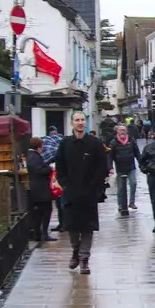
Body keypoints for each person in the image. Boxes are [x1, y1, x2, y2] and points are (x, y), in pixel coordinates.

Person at [54, 112, 108, 274]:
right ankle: (75, 251)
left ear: (86, 123)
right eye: (77, 120)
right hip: (70, 192)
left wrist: (94, 186)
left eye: (82, 120)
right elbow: (60, 165)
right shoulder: (65, 143)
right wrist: (65, 184)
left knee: (87, 227)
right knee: (71, 226)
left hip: (89, 192)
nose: (80, 123)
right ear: (72, 123)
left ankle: (84, 259)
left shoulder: (95, 143)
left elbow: (101, 167)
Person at [25, 137, 55, 244]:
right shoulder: (34, 157)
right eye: (41, 146)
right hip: (40, 189)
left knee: (38, 213)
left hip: (37, 189)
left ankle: (38, 234)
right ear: (38, 146)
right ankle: (43, 234)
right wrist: (50, 169)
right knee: (46, 211)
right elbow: (38, 171)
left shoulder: (31, 156)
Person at [107, 124, 140, 216]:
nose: (122, 132)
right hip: (120, 168)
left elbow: (137, 153)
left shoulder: (131, 140)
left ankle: (131, 202)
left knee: (133, 183)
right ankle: (120, 205)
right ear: (117, 131)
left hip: (131, 167)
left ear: (126, 131)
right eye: (120, 130)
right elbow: (109, 156)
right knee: (121, 188)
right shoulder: (114, 142)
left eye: (124, 130)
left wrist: (141, 163)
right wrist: (110, 168)